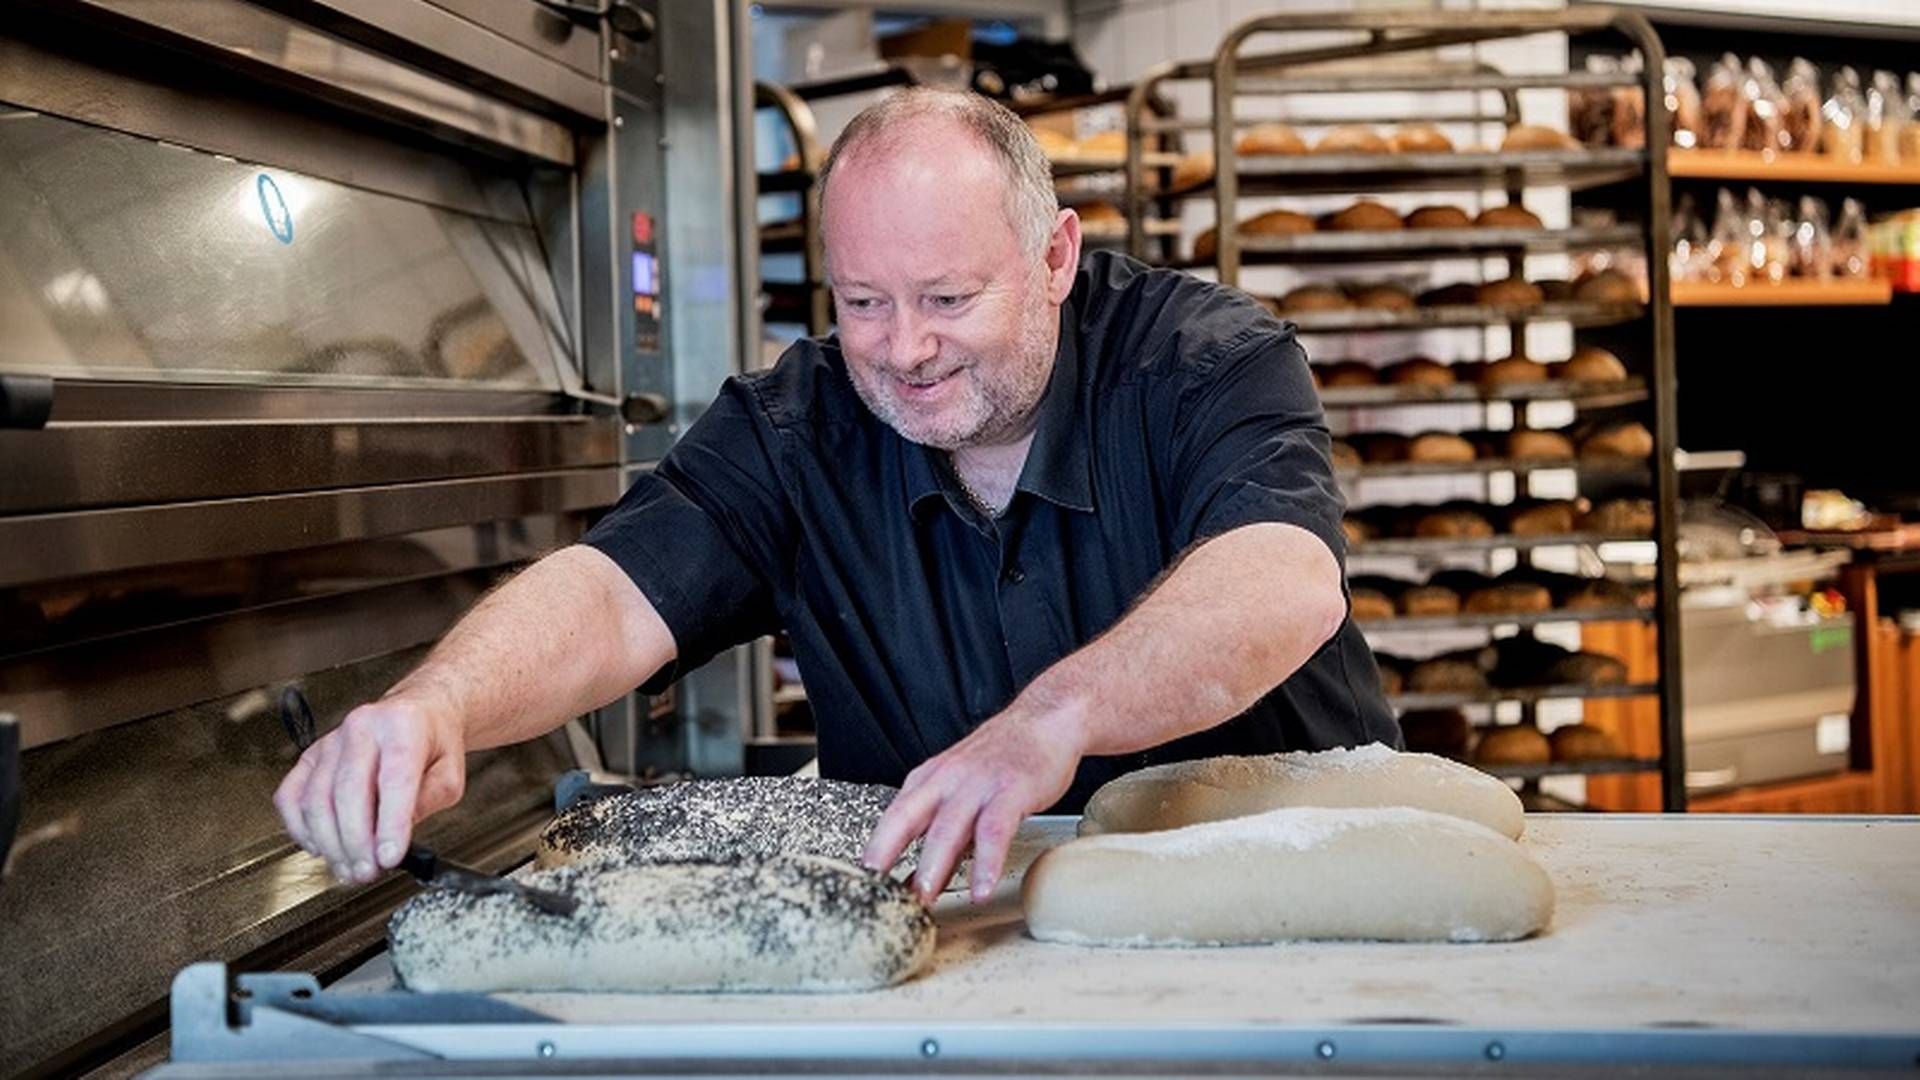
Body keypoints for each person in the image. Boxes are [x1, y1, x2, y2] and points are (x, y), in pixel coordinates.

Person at [274, 88, 1397, 907]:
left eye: (949, 297)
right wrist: (440, 705)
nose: (905, 349)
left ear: (1055, 258)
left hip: (1288, 916)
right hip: (965, 961)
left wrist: (1047, 725)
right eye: (863, 301)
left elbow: (1281, 577)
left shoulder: (1205, 362)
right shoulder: (795, 428)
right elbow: (615, 593)